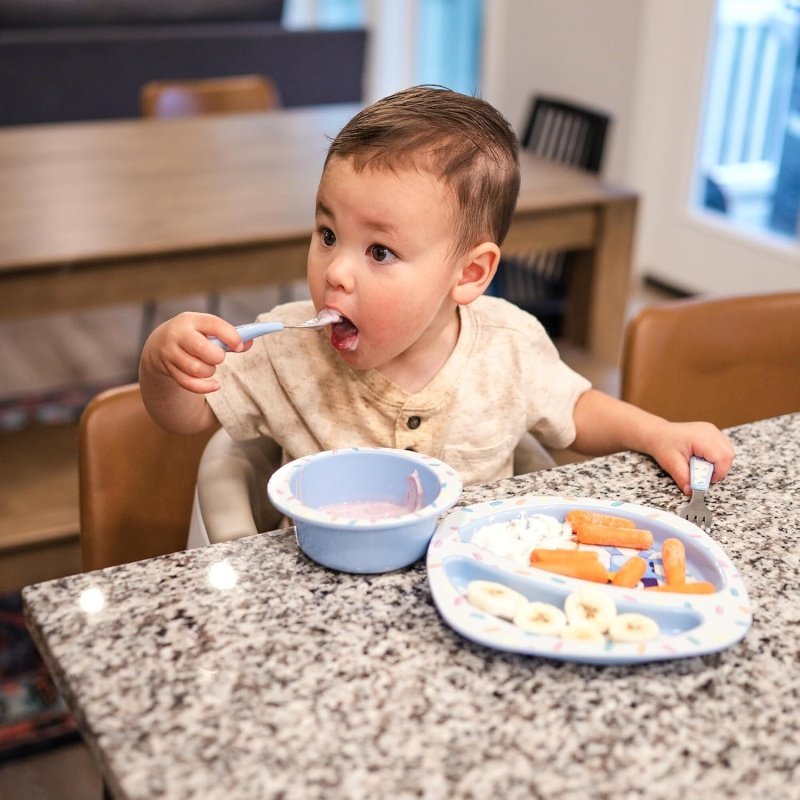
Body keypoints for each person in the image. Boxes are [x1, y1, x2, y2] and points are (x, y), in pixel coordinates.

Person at [139, 85, 734, 500]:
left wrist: (659, 433)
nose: (336, 272)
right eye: (327, 234)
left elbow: (575, 410)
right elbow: (186, 418)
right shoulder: (282, 351)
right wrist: (165, 363)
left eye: (379, 252)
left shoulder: (508, 346)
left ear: (469, 275)